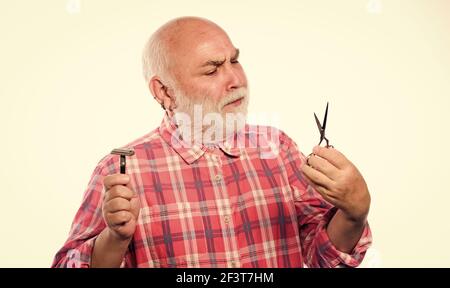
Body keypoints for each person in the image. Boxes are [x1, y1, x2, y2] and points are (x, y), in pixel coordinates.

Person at [52, 16, 372, 268]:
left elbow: (324, 260)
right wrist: (114, 239)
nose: (236, 80)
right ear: (164, 91)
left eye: (234, 60)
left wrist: (353, 214)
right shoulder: (121, 169)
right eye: (212, 70)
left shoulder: (279, 149)